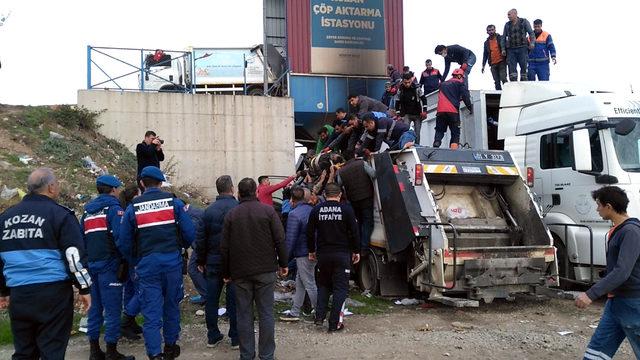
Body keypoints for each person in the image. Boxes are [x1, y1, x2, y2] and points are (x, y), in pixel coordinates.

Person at [0, 168, 92, 359]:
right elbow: (73, 256)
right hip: (52, 294)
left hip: (19, 294)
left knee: (24, 352)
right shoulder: (60, 215)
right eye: (57, 184)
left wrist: (4, 291)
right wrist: (84, 288)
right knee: (52, 351)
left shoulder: (6, 218)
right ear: (51, 187)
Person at [118, 166, 195, 360]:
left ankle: (155, 354)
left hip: (147, 265)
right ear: (161, 183)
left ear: (142, 183)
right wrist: (179, 249)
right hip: (171, 264)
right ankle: (170, 347)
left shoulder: (133, 208)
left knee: (151, 312)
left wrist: (135, 261)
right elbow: (190, 233)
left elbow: (124, 242)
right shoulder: (174, 203)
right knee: (171, 306)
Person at [221, 177, 288, 360]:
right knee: (266, 313)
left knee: (244, 314)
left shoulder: (232, 215)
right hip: (266, 270)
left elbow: (225, 248)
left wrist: (226, 273)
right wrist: (284, 264)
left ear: (239, 193)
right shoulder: (268, 211)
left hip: (240, 272)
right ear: (256, 192)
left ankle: (247, 354)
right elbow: (280, 239)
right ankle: (266, 355)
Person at [576, 186, 640, 359]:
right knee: (596, 352)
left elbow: (622, 271)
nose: (597, 209)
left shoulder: (631, 232)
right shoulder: (620, 230)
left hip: (633, 303)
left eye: (598, 205)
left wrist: (591, 294)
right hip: (615, 303)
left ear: (609, 206)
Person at [82, 175, 135, 360]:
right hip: (110, 266)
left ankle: (94, 350)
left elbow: (83, 241)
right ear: (113, 190)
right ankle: (112, 351)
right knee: (113, 310)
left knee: (95, 309)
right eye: (118, 188)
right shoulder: (114, 210)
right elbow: (121, 239)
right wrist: (128, 260)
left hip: (92, 267)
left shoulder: (87, 212)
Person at [307, 183, 360, 332]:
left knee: (323, 285)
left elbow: (310, 232)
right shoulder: (347, 210)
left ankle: (319, 316)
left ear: (324, 195)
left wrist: (311, 250)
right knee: (340, 289)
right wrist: (356, 251)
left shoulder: (316, 209)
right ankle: (334, 323)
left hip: (323, 255)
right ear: (339, 195)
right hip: (342, 254)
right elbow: (355, 232)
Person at [195, 175, 240, 349]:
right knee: (234, 300)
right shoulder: (238, 208)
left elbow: (201, 238)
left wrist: (200, 259)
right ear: (232, 188)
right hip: (235, 263)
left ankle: (212, 336)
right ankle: (235, 337)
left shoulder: (209, 211)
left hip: (213, 262)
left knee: (212, 299)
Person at [280, 187, 317, 322]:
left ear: (292, 200)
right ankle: (295, 311)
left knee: (309, 283)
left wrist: (284, 260)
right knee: (300, 283)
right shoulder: (312, 210)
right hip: (312, 251)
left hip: (303, 253)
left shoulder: (294, 214)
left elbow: (290, 239)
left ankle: (320, 311)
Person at [118, 184, 143, 341]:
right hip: (134, 257)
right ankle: (126, 321)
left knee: (130, 290)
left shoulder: (125, 210)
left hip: (126, 257)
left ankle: (130, 323)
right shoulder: (131, 212)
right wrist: (133, 258)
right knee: (142, 291)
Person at [336, 157, 375, 253]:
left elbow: (339, 184)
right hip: (366, 197)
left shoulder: (341, 171)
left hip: (353, 200)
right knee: (368, 221)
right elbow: (373, 174)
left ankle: (357, 246)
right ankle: (364, 247)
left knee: (359, 222)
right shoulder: (362, 163)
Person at [433, 69, 473, 149]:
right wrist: (470, 108)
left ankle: (436, 143)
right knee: (455, 132)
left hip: (440, 111)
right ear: (459, 76)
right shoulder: (460, 84)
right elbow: (466, 97)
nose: (463, 79)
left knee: (439, 130)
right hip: (453, 111)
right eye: (462, 77)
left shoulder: (443, 84)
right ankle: (453, 150)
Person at [501, 8, 535, 82]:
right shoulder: (507, 25)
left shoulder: (524, 22)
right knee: (512, 72)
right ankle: (514, 86)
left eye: (509, 15)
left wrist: (532, 43)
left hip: (522, 48)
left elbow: (531, 33)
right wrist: (503, 49)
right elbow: (503, 37)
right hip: (511, 50)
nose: (508, 16)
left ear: (515, 14)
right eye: (508, 15)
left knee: (524, 71)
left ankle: (524, 87)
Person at [184, 200, 207, 305]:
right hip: (204, 246)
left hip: (200, 247)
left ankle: (206, 295)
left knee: (193, 269)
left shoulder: (190, 217)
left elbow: (196, 237)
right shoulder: (196, 211)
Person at [394, 72, 427, 144]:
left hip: (418, 114)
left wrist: (425, 111)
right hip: (406, 114)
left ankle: (417, 145)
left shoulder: (417, 88)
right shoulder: (400, 90)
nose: (407, 84)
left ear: (411, 80)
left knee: (417, 133)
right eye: (405, 83)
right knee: (406, 132)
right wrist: (398, 114)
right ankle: (406, 145)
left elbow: (424, 99)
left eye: (409, 82)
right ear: (403, 81)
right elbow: (397, 102)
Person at [482, 24, 508, 90]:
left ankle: (507, 92)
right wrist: (483, 65)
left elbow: (507, 47)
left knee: (503, 78)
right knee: (496, 81)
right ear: (487, 32)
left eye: (492, 30)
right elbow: (485, 54)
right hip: (493, 63)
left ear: (495, 30)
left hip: (501, 61)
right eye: (489, 30)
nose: (491, 31)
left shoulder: (500, 38)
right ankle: (499, 95)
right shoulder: (486, 42)